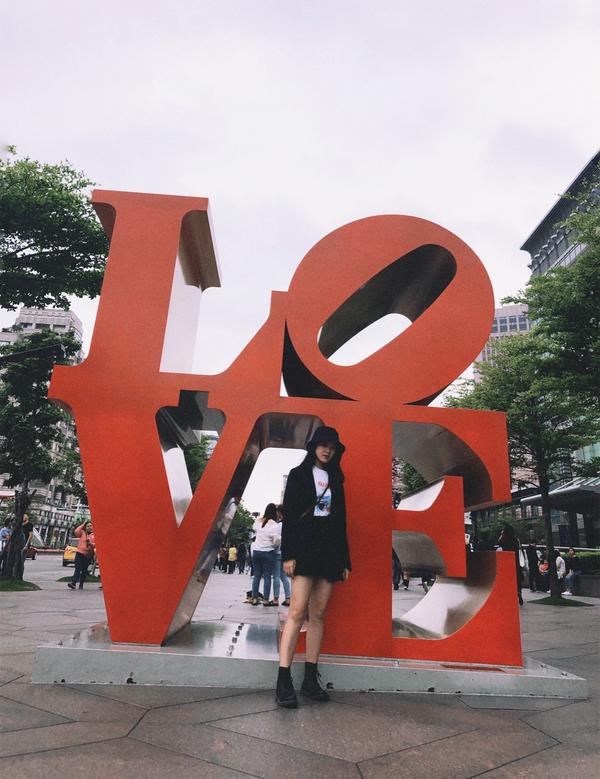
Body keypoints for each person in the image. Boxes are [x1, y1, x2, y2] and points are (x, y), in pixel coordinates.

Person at [276, 426, 351, 708]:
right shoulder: (298, 475)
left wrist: (345, 560)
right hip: (304, 549)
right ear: (313, 447)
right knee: (297, 611)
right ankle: (283, 679)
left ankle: (310, 679)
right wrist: (288, 555)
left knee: (318, 613)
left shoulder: (336, 479)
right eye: (322, 445)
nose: (327, 450)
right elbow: (290, 516)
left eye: (332, 446)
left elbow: (341, 522)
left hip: (329, 551)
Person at [250, 504, 280, 606]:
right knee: (267, 576)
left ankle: (254, 598)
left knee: (257, 575)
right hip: (268, 552)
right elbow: (277, 539)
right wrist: (274, 545)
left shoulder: (258, 522)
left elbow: (254, 529)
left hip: (256, 551)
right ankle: (266, 600)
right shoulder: (274, 524)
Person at [498, 523, 523, 605]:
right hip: (515, 561)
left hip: (507, 562)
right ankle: (519, 593)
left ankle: (509, 596)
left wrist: (502, 534)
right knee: (517, 579)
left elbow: (499, 542)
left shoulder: (504, 539)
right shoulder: (515, 540)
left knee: (508, 579)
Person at [272, 505, 291, 607]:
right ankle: (288, 598)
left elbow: (277, 539)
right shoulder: (290, 524)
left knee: (276, 575)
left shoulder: (279, 525)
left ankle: (276, 598)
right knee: (284, 576)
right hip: (285, 553)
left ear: (279, 513)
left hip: (278, 552)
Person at [68, 520, 95, 590]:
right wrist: (83, 523)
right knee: (78, 568)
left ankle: (81, 584)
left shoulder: (94, 535)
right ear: (85, 527)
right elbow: (76, 531)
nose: (89, 527)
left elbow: (96, 545)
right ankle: (73, 583)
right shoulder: (82, 533)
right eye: (87, 526)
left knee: (84, 570)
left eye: (90, 526)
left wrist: (90, 544)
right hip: (79, 553)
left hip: (88, 555)